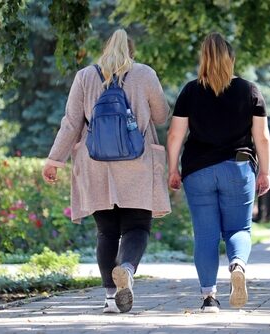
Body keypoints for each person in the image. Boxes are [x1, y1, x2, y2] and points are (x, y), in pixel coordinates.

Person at [42, 29, 171, 313]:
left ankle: (111, 298)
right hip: (136, 163)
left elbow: (71, 122)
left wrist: (54, 160)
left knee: (106, 232)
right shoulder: (144, 74)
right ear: (132, 52)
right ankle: (126, 267)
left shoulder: (85, 76)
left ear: (103, 51)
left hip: (95, 164)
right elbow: (161, 116)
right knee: (137, 226)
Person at [167, 32, 270, 313]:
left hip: (198, 171)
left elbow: (175, 135)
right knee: (238, 228)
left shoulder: (190, 91)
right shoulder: (249, 91)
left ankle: (209, 298)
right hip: (238, 168)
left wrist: (172, 169)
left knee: (205, 235)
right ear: (231, 59)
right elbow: (261, 138)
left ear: (204, 59)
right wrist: (265, 172)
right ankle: (237, 264)